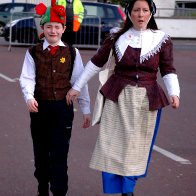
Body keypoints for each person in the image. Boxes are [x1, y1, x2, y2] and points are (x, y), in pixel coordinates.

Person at [66, 0, 180, 195]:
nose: (141, 15)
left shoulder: (162, 40)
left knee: (136, 150)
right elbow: (95, 63)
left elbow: (168, 69)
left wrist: (174, 92)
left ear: (151, 13)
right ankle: (113, 191)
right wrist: (76, 87)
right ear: (129, 13)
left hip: (147, 101)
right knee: (110, 146)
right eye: (136, 10)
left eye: (145, 10)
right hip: (117, 97)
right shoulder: (116, 38)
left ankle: (128, 191)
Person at [19, 0, 91, 196]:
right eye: (49, 26)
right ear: (43, 27)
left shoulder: (72, 52)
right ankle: (42, 187)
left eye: (57, 27)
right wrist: (29, 97)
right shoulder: (33, 52)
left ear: (63, 28)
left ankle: (59, 191)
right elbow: (27, 78)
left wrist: (86, 109)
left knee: (60, 153)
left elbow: (80, 82)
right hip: (40, 109)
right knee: (41, 152)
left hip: (63, 110)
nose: (53, 31)